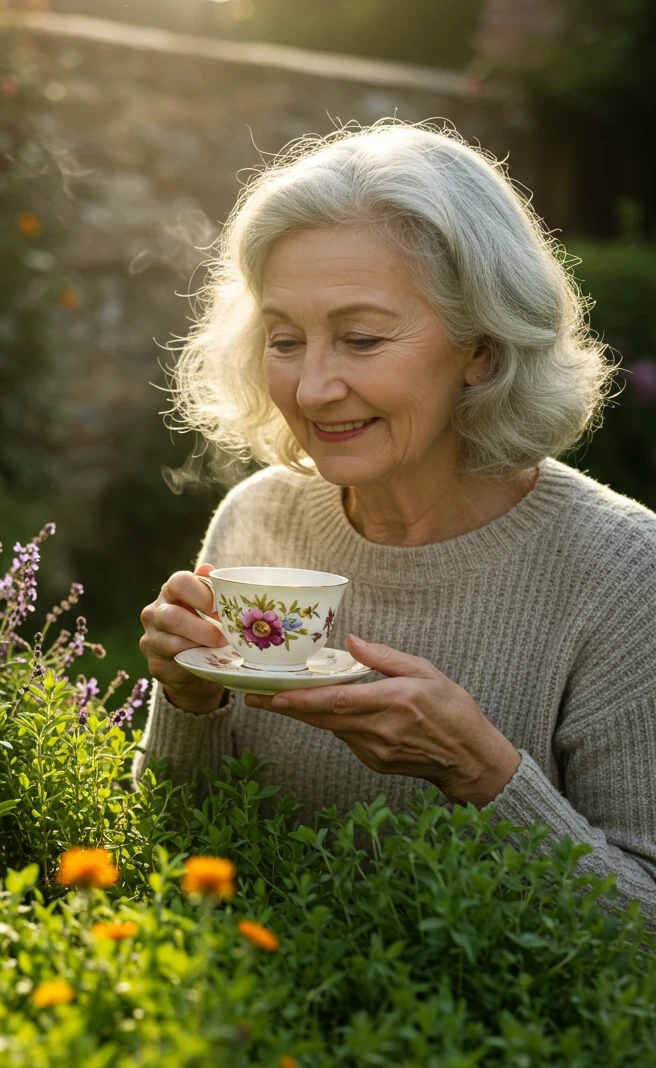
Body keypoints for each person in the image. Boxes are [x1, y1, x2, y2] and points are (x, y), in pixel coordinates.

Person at [134, 120, 656, 923]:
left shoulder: (625, 574)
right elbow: (176, 856)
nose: (310, 389)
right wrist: (187, 702)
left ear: (480, 348)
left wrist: (484, 777)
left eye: (361, 339)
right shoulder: (259, 517)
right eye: (285, 339)